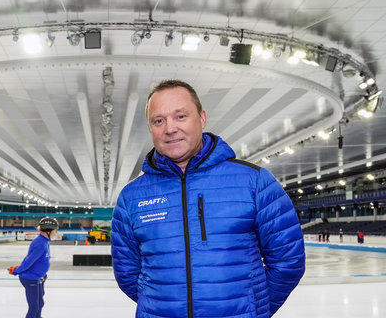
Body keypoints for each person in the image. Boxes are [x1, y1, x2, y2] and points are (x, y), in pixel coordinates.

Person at [111, 79, 306, 318]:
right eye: (158, 120)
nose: (170, 128)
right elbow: (127, 272)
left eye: (180, 116)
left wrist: (253, 309)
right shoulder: (132, 197)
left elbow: (288, 260)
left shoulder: (254, 182)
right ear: (151, 128)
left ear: (202, 118)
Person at [8, 217, 58, 318]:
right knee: (34, 307)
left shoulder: (44, 241)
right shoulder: (40, 243)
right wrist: (17, 270)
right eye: (55, 230)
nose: (56, 232)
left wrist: (43, 275)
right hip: (30, 278)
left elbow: (38, 261)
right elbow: (28, 261)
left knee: (40, 303)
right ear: (48, 231)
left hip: (38, 277)